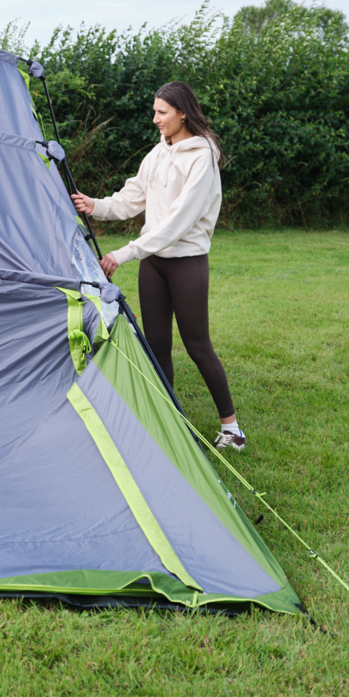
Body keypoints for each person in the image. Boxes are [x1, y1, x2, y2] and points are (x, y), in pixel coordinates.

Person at [70, 81, 245, 450]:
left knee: (198, 345)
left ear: (183, 112)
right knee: (157, 344)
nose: (156, 120)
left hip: (187, 264)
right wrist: (95, 204)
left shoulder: (202, 157)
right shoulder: (158, 152)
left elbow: (177, 223)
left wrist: (124, 253)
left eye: (162, 112)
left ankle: (232, 428)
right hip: (154, 265)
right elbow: (132, 197)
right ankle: (170, 420)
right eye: (155, 112)